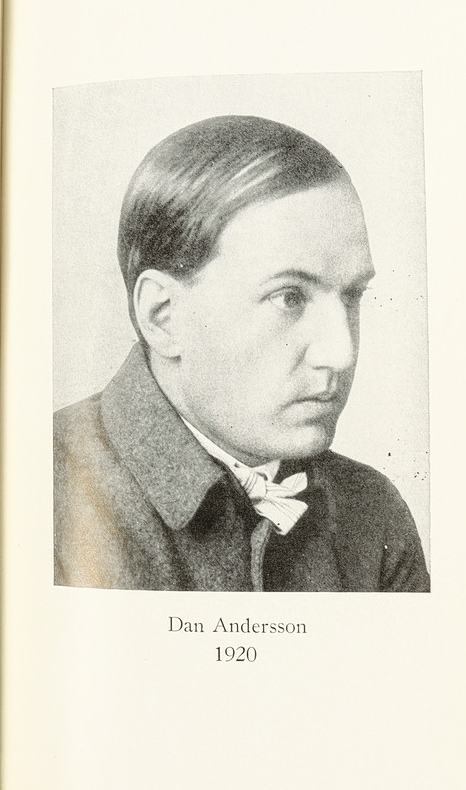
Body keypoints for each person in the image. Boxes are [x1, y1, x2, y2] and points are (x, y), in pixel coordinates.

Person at [53, 114, 430, 592]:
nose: (341, 353)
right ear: (163, 315)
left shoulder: (373, 514)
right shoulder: (37, 493)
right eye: (289, 297)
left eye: (352, 296)